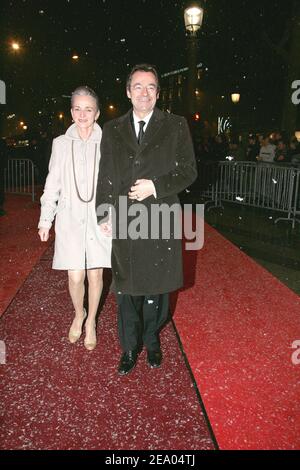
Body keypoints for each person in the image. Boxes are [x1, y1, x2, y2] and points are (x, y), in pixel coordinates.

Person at [96, 64, 197, 375]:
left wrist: (156, 186)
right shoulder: (112, 129)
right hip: (125, 217)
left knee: (157, 288)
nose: (144, 92)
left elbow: (188, 171)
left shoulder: (176, 125)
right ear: (128, 92)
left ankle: (152, 341)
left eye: (150, 87)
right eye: (138, 86)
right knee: (126, 288)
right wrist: (103, 211)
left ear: (157, 92)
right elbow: (106, 175)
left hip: (160, 217)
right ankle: (129, 347)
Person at [38, 86, 111, 350]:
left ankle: (91, 320)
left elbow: (114, 184)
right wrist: (45, 219)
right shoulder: (60, 144)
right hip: (69, 218)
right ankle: (78, 313)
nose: (83, 114)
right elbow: (52, 184)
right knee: (75, 276)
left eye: (88, 109)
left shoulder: (108, 142)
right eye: (78, 108)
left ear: (97, 113)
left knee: (95, 275)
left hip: (99, 219)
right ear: (71, 112)